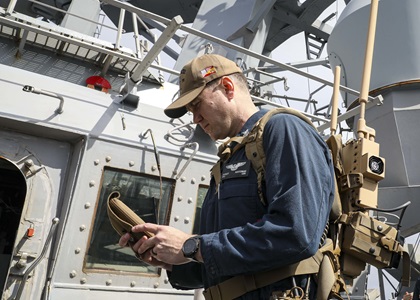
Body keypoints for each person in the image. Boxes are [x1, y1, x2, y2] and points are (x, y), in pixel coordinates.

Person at [119, 54, 335, 299]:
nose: (195, 119)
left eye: (197, 104)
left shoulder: (284, 129)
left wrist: (193, 247)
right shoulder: (231, 157)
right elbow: (228, 264)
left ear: (227, 87)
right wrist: (169, 257)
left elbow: (296, 234)